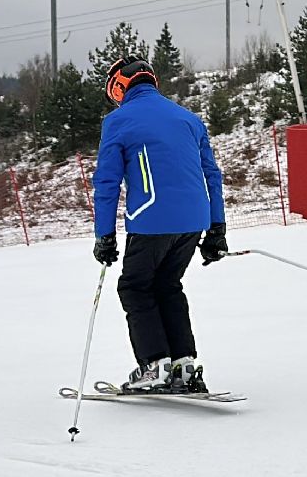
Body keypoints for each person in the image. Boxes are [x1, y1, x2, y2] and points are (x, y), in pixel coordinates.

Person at [92, 56, 230, 393]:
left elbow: (107, 183)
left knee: (135, 287)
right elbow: (211, 175)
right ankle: (183, 365)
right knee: (167, 285)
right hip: (194, 219)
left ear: (119, 86)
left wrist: (104, 235)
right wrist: (216, 229)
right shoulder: (189, 119)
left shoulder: (118, 121)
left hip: (151, 218)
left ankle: (154, 364)